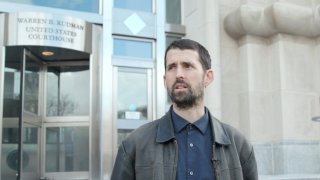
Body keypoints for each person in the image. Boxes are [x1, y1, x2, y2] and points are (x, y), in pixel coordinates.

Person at [110, 39, 258, 180]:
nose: (178, 74)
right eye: (171, 67)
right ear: (164, 80)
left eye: (187, 66)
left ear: (208, 77)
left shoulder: (239, 145)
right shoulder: (134, 144)